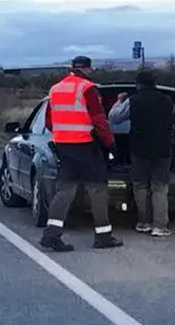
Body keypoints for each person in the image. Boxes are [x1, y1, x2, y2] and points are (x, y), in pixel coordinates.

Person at [39, 55, 124, 252]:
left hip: (63, 146)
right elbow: (99, 120)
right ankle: (103, 236)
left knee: (65, 190)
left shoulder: (55, 89)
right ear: (87, 69)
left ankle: (51, 234)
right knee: (98, 189)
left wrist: (64, 134)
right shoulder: (87, 88)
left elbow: (49, 122)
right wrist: (110, 145)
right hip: (85, 145)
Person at [108, 70, 175, 237]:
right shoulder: (167, 101)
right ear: (155, 83)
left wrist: (118, 101)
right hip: (163, 150)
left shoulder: (133, 101)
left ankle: (143, 222)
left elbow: (114, 118)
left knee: (140, 186)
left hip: (140, 150)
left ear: (138, 84)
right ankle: (160, 226)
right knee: (159, 187)